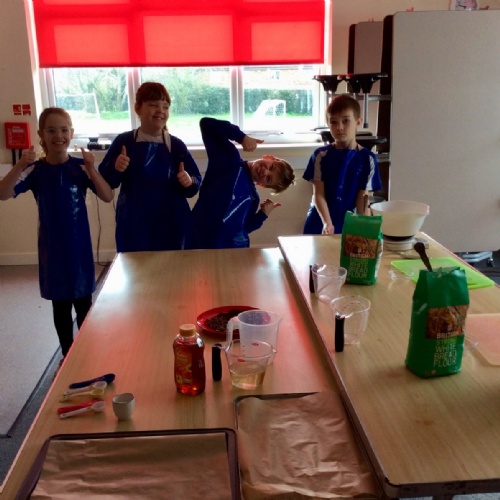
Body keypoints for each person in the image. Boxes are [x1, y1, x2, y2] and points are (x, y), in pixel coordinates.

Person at [0, 107, 114, 358]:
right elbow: (3, 193)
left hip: (79, 250)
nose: (58, 136)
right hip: (52, 251)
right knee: (60, 308)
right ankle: (67, 355)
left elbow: (107, 196)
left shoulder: (80, 168)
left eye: (64, 130)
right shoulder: (35, 170)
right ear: (41, 134)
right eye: (51, 130)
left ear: (71, 133)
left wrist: (92, 169)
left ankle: (87, 353)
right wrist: (20, 163)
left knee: (84, 306)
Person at [98, 82, 201, 252]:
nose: (160, 110)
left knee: (171, 266)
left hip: (172, 224)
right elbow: (106, 181)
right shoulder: (124, 142)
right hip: (134, 225)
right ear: (137, 108)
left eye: (165, 106)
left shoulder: (176, 145)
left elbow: (195, 184)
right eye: (153, 105)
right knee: (135, 266)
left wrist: (189, 182)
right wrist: (116, 167)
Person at [189, 117, 295, 249]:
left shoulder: (254, 198)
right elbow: (207, 124)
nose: (265, 172)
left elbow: (243, 228)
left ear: (263, 185)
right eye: (271, 167)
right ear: (268, 157)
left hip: (233, 251)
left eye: (268, 179)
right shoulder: (229, 159)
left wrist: (262, 215)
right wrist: (241, 136)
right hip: (199, 241)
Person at [303, 94, 382, 235]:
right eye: (333, 122)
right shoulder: (320, 155)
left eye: (346, 121)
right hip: (319, 222)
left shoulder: (367, 158)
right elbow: (318, 194)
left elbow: (362, 197)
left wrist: (365, 226)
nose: (339, 127)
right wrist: (327, 223)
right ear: (328, 123)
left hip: (350, 222)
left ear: (358, 121)